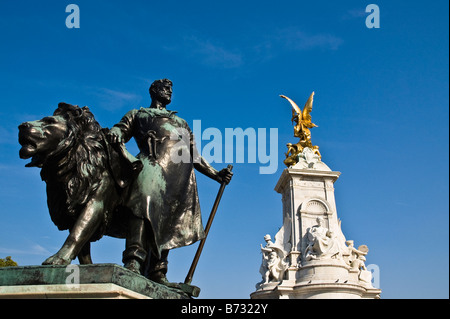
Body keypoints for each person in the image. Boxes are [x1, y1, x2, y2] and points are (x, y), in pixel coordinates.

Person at [108, 79, 232, 287]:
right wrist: (117, 132)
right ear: (154, 91)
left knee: (169, 218)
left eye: (171, 90)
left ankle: (158, 270)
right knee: (142, 202)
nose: (169, 93)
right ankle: (133, 260)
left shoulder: (181, 122)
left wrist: (215, 174)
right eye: (165, 89)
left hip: (177, 177)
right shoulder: (138, 114)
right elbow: (121, 129)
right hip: (151, 165)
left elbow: (193, 154)